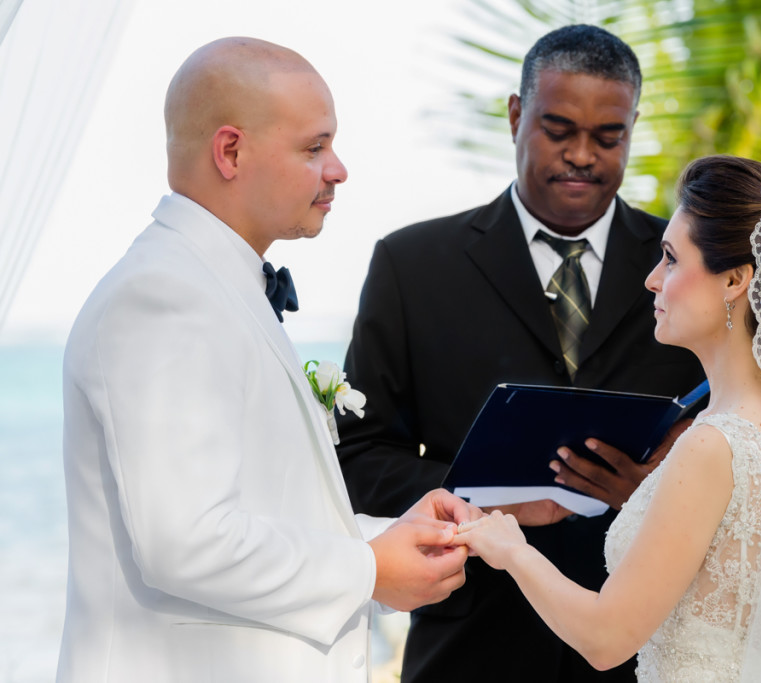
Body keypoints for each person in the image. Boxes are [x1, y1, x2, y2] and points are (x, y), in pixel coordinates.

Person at [57, 37, 477, 683]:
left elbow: (268, 512)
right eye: (314, 147)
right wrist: (370, 568)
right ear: (230, 151)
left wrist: (389, 534)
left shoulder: (214, 285)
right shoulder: (162, 295)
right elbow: (185, 541)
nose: (338, 169)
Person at [453, 155, 761, 682]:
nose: (653, 280)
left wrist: (511, 550)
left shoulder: (714, 446)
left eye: (671, 259)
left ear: (734, 281)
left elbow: (606, 637)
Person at [336, 24, 704, 683]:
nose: (583, 156)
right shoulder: (411, 266)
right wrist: (482, 503)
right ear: (515, 116)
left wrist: (653, 490)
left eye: (609, 136)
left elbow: (730, 442)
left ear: (633, 126)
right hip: (469, 648)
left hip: (643, 652)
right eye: (559, 130)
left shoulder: (687, 270)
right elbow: (360, 455)